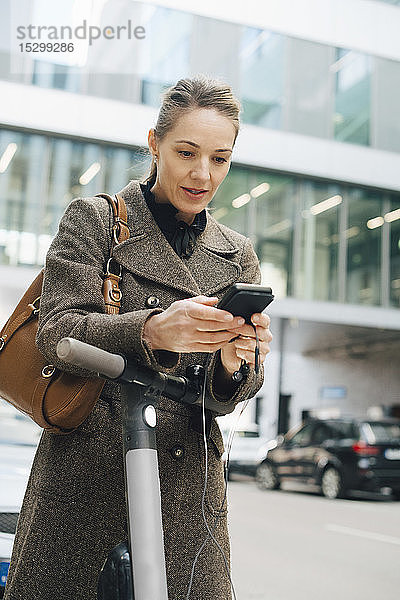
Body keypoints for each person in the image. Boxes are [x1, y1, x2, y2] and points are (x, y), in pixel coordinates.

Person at [4, 75, 272, 600]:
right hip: (83, 475)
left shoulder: (236, 255)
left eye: (220, 159)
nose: (202, 174)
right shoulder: (97, 221)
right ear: (155, 144)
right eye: (186, 152)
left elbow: (228, 394)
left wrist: (234, 362)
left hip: (185, 487)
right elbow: (54, 333)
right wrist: (150, 329)